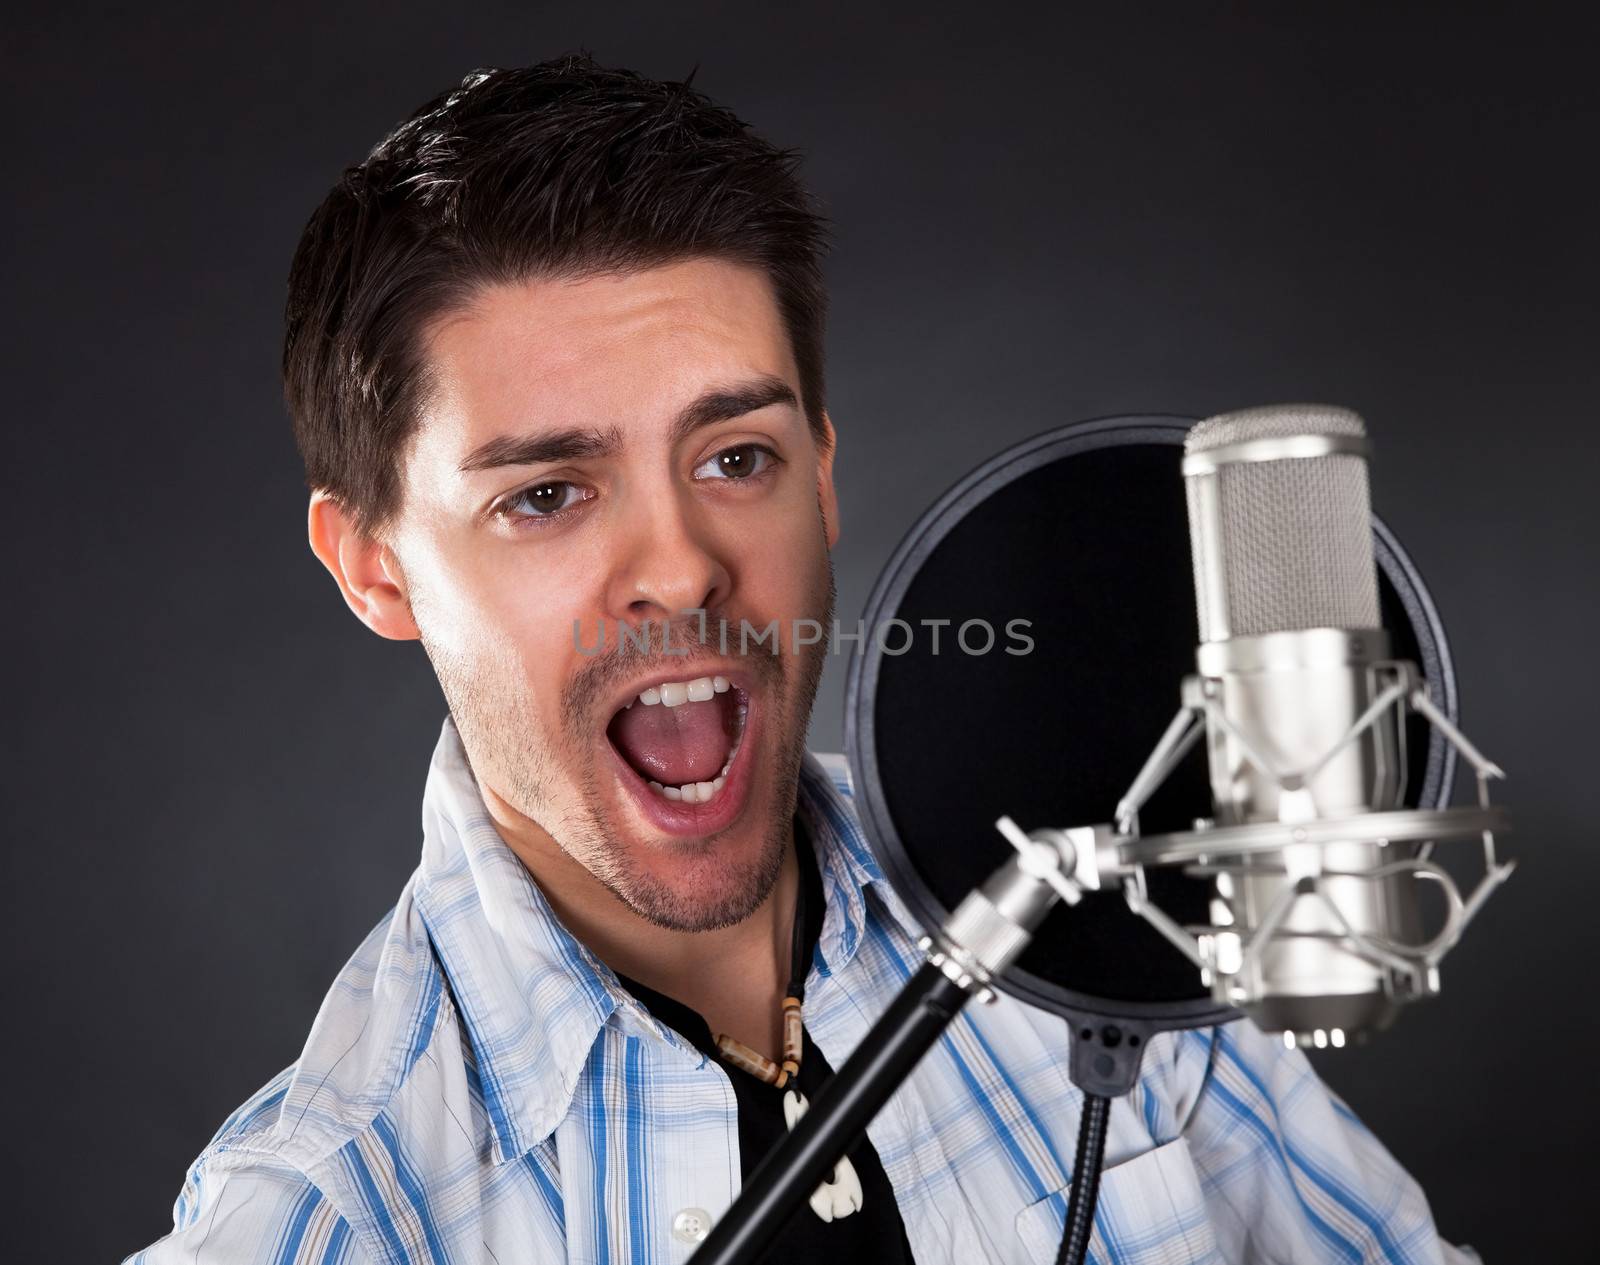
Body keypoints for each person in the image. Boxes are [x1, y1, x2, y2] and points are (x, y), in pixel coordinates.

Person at [127, 55, 1479, 1264]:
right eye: (546, 492)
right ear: (375, 564)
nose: (680, 564)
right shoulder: (328, 1216)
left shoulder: (1101, 921)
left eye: (735, 457)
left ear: (821, 482)